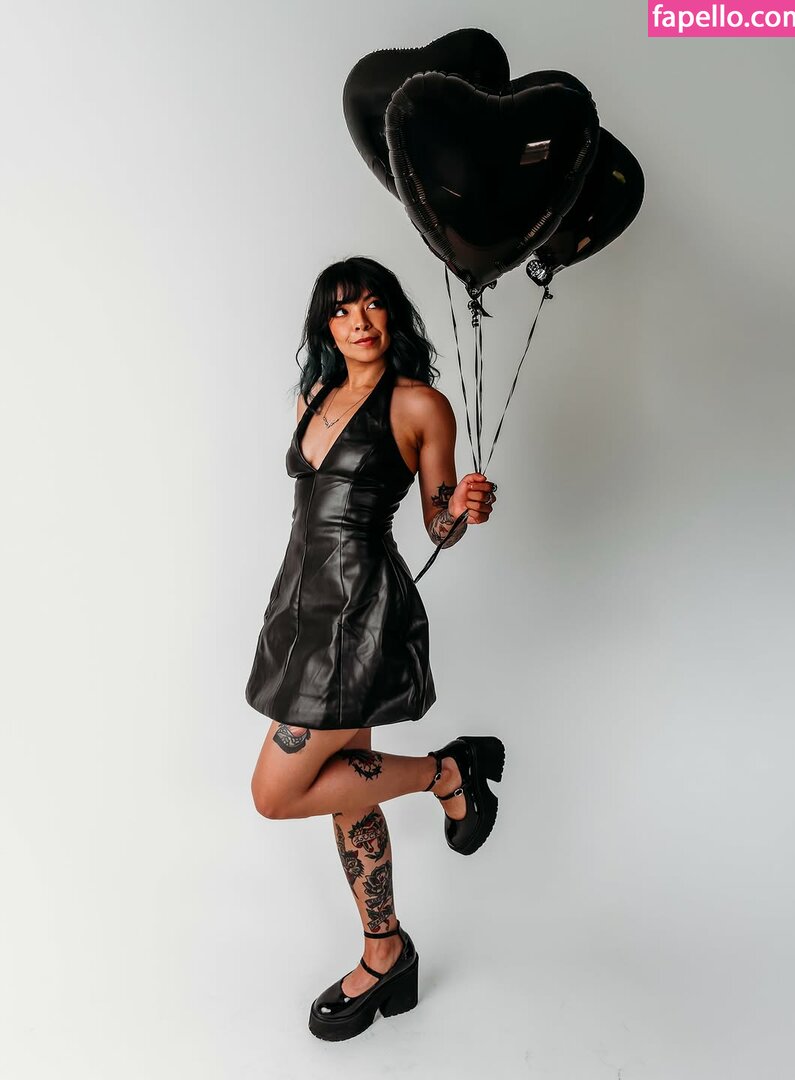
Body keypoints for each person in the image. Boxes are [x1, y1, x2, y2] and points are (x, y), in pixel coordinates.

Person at [245, 255, 505, 1040]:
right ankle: (386, 952)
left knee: (274, 792)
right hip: (301, 610)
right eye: (340, 309)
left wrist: (464, 508)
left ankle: (445, 773)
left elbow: (438, 525)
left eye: (371, 304)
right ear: (325, 325)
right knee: (346, 790)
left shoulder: (418, 404)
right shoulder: (313, 397)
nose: (357, 321)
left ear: (392, 313)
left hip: (358, 617)